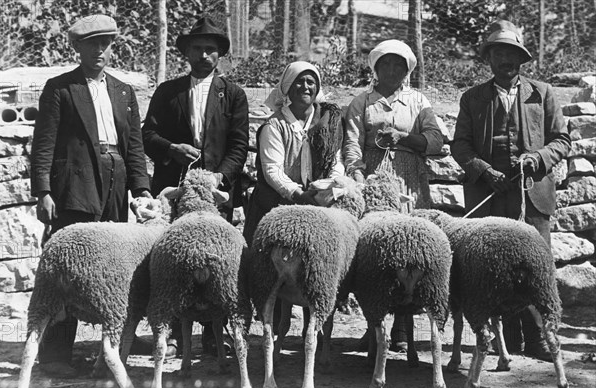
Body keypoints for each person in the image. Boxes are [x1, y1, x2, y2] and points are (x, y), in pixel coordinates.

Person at [30, 14, 152, 377]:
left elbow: (134, 147)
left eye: (106, 43)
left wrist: (141, 190)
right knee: (67, 265)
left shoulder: (123, 91)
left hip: (114, 182)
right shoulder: (60, 88)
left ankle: (108, 352)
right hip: (75, 185)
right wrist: (44, 191)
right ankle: (54, 354)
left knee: (110, 268)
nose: (100, 50)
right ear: (78, 48)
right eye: (92, 44)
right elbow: (44, 144)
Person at [451, 20, 571, 361]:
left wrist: (538, 157)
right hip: (490, 195)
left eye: (514, 54)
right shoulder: (472, 98)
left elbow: (561, 140)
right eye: (501, 53)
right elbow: (460, 145)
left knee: (535, 267)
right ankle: (503, 340)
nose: (508, 60)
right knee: (494, 267)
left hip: (532, 195)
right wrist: (484, 170)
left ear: (522, 60)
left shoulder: (543, 94)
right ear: (489, 59)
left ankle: (538, 339)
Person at [142, 16, 249, 357]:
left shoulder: (232, 95)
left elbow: (239, 144)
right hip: (176, 189)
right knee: (172, 258)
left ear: (220, 55)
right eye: (198, 49)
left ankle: (216, 333)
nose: (205, 56)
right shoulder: (167, 92)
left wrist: (221, 177)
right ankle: (172, 331)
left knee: (217, 259)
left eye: (211, 50)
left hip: (213, 193)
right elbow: (147, 136)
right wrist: (171, 149)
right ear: (186, 53)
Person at [342, 40, 443, 351]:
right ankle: (375, 326)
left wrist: (405, 137)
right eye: (385, 64)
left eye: (398, 65)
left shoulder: (417, 101)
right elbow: (352, 143)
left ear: (407, 70)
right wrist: (357, 173)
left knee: (408, 250)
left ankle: (403, 327)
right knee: (374, 252)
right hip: (375, 181)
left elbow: (436, 140)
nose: (392, 70)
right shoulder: (363, 103)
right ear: (376, 68)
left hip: (409, 179)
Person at [242, 61, 345, 246]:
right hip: (276, 204)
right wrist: (298, 195)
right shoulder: (275, 125)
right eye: (299, 81)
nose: (305, 87)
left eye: (311, 82)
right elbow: (272, 170)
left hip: (318, 203)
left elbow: (335, 161)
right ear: (287, 87)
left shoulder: (328, 123)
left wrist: (330, 186)